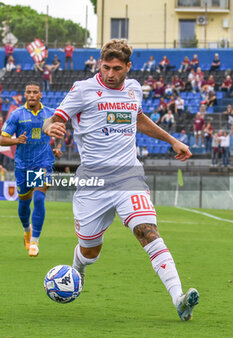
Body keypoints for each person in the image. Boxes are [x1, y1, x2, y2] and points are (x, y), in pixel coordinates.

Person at [43, 39, 199, 321]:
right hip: (93, 182)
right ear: (98, 64)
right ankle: (79, 266)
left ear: (128, 67)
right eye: (106, 67)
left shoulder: (134, 89)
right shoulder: (83, 89)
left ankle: (179, 298)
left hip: (129, 175)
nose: (111, 74)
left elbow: (137, 119)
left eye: (117, 68)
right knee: (90, 249)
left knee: (147, 231)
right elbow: (55, 118)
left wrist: (173, 140)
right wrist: (52, 125)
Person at [0, 81, 62, 257]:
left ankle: (35, 241)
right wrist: (16, 140)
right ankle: (27, 230)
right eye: (29, 92)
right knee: (24, 205)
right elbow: (2, 140)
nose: (32, 95)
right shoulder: (16, 115)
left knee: (39, 198)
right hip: (22, 165)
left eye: (35, 92)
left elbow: (60, 132)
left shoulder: (50, 113)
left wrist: (57, 147)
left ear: (40, 94)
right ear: (25, 95)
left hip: (42, 163)